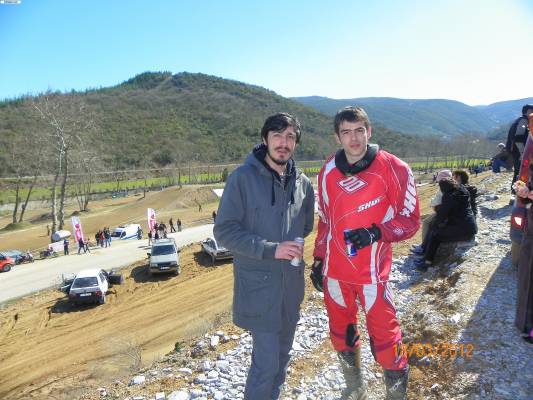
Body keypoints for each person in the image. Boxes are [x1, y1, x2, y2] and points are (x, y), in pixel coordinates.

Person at [311, 106, 420, 400]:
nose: (354, 138)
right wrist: (319, 258)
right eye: (346, 132)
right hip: (335, 273)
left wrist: (376, 232)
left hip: (372, 275)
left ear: (369, 132)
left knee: (386, 342)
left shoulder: (394, 167)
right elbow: (325, 220)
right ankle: (355, 389)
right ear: (337, 137)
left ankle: (395, 396)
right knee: (341, 336)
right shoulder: (327, 169)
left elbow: (411, 221)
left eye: (359, 130)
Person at [214, 113, 315, 400]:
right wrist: (272, 248)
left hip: (291, 287)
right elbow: (224, 231)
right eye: (277, 136)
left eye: (290, 137)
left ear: (296, 143)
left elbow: (305, 226)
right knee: (266, 365)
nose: (284, 143)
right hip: (259, 289)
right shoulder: (242, 179)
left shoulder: (303, 184)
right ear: (264, 139)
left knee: (282, 359)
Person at [413, 178, 477, 271]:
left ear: (443, 188)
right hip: (470, 227)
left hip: (463, 231)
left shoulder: (449, 196)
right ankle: (425, 254)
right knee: (436, 230)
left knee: (435, 235)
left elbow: (441, 215)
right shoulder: (463, 190)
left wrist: (436, 225)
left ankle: (427, 262)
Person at [506, 104, 533, 190]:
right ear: (527, 111)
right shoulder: (524, 121)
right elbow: (518, 138)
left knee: (519, 171)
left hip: (515, 150)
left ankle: (516, 190)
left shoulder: (519, 120)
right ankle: (518, 191)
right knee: (521, 171)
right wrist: (522, 153)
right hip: (519, 151)